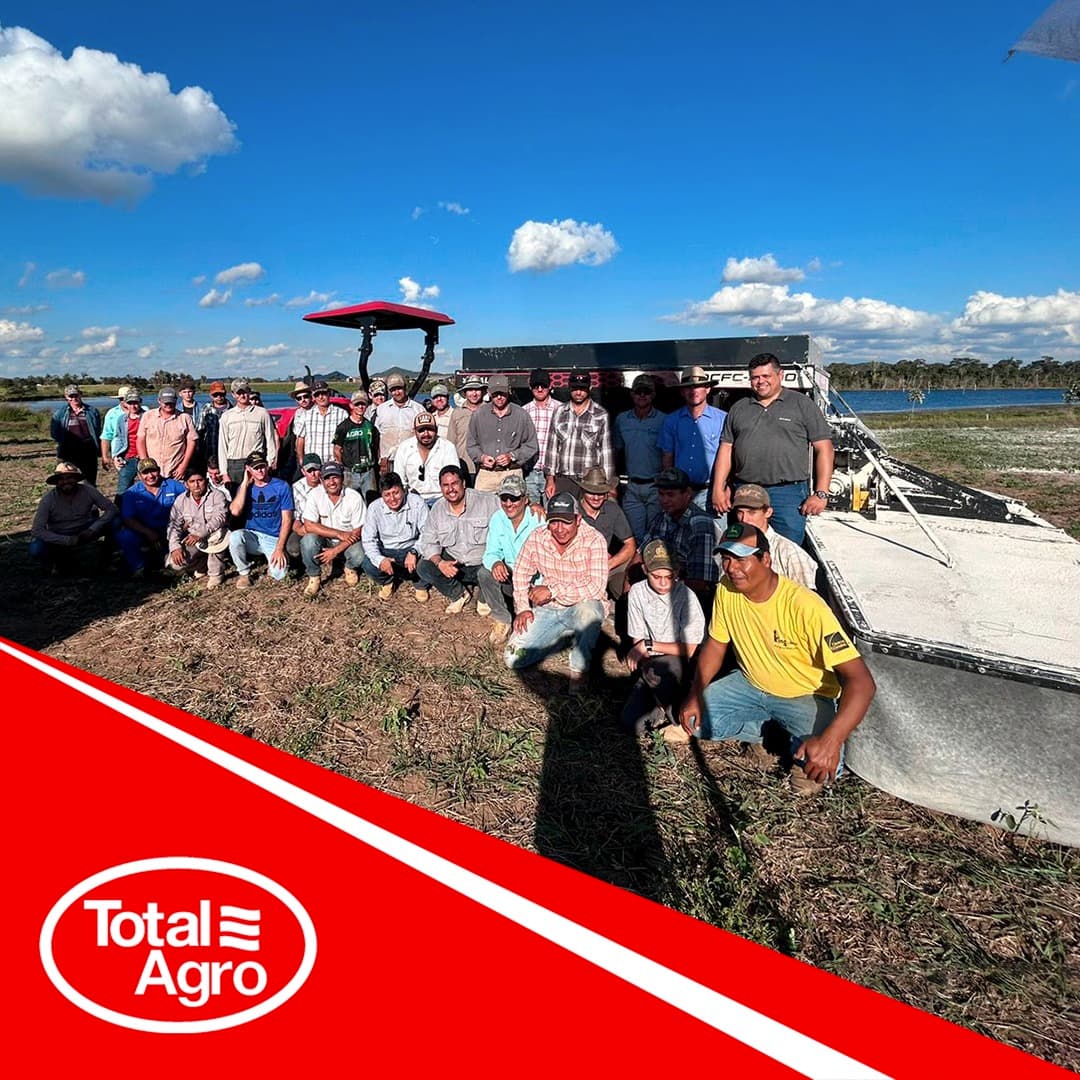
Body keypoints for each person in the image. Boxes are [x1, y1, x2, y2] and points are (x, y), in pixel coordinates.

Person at [671, 523, 876, 796]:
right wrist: (695, 692)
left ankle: (794, 736)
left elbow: (862, 682)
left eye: (742, 558)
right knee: (696, 723)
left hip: (806, 694)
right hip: (750, 684)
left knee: (822, 769)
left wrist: (830, 741)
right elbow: (716, 645)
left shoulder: (806, 606)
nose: (732, 568)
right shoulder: (726, 589)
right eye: (727, 558)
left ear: (765, 559)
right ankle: (775, 734)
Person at [711, 352, 835, 544]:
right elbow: (726, 450)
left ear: (780, 375)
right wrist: (719, 488)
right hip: (745, 490)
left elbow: (824, 449)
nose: (760, 381)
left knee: (788, 549)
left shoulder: (802, 405)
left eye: (766, 376)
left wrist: (821, 493)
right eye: (755, 377)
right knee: (743, 549)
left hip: (787, 495)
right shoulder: (739, 408)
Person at [504, 492, 608, 692]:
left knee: (589, 610)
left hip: (581, 605)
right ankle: (567, 637)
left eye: (566, 522)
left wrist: (552, 591)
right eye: (554, 522)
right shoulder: (538, 537)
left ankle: (579, 670)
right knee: (512, 658)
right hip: (549, 609)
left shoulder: (595, 540)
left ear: (577, 519)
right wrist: (523, 608)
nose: (560, 529)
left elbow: (595, 586)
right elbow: (520, 572)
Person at [621, 539, 705, 734]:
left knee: (660, 671)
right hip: (652, 660)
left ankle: (677, 715)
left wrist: (648, 645)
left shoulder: (686, 595)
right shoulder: (637, 593)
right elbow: (637, 642)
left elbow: (690, 648)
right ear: (645, 570)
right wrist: (644, 653)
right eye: (657, 576)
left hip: (681, 660)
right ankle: (662, 705)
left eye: (669, 576)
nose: (663, 583)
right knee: (631, 724)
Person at [417, 464, 498, 613]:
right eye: (446, 485)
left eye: (454, 483)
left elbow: (511, 508)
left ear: (464, 483)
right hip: (456, 565)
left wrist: (532, 506)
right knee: (424, 566)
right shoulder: (437, 509)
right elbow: (428, 541)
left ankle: (484, 595)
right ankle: (459, 594)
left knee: (492, 569)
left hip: (483, 563)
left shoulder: (488, 501)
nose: (451, 489)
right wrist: (440, 563)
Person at [477, 474, 544, 644]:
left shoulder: (539, 519)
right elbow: (490, 552)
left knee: (537, 629)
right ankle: (502, 619)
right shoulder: (497, 519)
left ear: (526, 499)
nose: (508, 504)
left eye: (514, 498)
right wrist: (496, 563)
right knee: (484, 573)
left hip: (535, 581)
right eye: (504, 498)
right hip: (510, 576)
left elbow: (547, 559)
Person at [641, 468, 720, 606]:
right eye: (661, 494)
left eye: (670, 495)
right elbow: (641, 552)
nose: (664, 500)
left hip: (695, 596)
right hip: (663, 581)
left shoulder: (701, 524)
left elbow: (700, 582)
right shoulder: (661, 517)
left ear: (687, 494)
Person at [658, 366, 726, 510]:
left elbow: (729, 457)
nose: (693, 391)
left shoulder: (723, 419)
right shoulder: (671, 420)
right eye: (688, 387)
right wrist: (669, 492)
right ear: (682, 391)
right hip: (680, 493)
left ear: (707, 389)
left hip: (711, 492)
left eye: (698, 387)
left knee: (716, 532)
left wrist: (723, 489)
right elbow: (667, 457)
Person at [29, 462, 117, 573]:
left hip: (84, 528)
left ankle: (105, 559)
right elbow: (37, 530)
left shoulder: (88, 491)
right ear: (56, 482)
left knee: (116, 522)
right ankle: (55, 563)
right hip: (59, 534)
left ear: (76, 478)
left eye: (70, 477)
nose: (66, 482)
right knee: (36, 549)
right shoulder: (48, 500)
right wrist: (67, 540)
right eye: (61, 479)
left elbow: (111, 509)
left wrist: (93, 528)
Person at [730, 484, 819, 591]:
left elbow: (807, 600)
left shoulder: (790, 553)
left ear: (768, 512)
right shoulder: (730, 548)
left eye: (752, 513)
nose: (744, 519)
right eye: (740, 513)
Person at [544, 371, 614, 501]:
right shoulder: (559, 412)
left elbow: (606, 453)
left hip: (590, 482)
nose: (578, 392)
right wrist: (550, 479)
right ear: (569, 387)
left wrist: (608, 485)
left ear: (590, 388)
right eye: (575, 388)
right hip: (563, 479)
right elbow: (552, 448)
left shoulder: (600, 414)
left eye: (582, 388)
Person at [228, 449, 293, 588]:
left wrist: (280, 548)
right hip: (253, 536)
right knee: (235, 537)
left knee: (280, 575)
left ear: (267, 465)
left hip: (274, 537)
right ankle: (244, 573)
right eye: (255, 468)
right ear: (248, 469)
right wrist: (245, 483)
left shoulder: (281, 486)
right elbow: (235, 510)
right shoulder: (246, 487)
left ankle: (274, 562)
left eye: (262, 466)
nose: (260, 470)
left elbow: (287, 519)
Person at [299, 462, 366, 596]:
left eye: (335, 477)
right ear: (322, 481)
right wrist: (338, 533)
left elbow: (359, 530)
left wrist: (335, 551)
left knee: (360, 553)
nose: (332, 482)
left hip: (349, 541)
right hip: (327, 539)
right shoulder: (314, 495)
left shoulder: (354, 497)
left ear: (342, 478)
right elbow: (309, 525)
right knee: (308, 541)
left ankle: (349, 567)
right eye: (327, 478)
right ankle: (314, 576)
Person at [360, 471, 430, 600]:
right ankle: (387, 581)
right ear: (381, 495)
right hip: (387, 550)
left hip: (411, 548)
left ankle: (420, 584)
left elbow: (427, 532)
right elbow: (368, 540)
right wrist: (380, 560)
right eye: (387, 495)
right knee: (368, 563)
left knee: (428, 558)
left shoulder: (417, 502)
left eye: (396, 493)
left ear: (403, 490)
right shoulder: (374, 508)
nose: (392, 499)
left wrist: (415, 551)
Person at [613, 373, 666, 543]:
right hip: (632, 487)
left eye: (647, 391)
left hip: (656, 487)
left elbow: (669, 454)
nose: (642, 395)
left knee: (657, 538)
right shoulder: (622, 420)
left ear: (654, 394)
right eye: (638, 391)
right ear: (632, 394)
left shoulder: (664, 420)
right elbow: (616, 452)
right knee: (633, 539)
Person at [466, 374, 538, 492]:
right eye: (495, 394)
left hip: (512, 473)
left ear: (509, 391)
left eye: (502, 393)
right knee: (481, 508)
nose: (499, 397)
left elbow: (531, 445)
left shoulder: (521, 415)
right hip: (486, 475)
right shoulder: (479, 415)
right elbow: (471, 444)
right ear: (489, 393)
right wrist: (482, 457)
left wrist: (512, 456)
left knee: (514, 509)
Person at [115, 458, 185, 576]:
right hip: (145, 532)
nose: (150, 476)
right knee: (125, 536)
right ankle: (139, 568)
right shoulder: (131, 493)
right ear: (139, 475)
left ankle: (169, 563)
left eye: (153, 471)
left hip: (173, 530)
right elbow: (128, 518)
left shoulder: (174, 486)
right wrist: (147, 532)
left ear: (159, 470)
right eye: (145, 473)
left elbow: (190, 501)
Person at [165, 467, 230, 588]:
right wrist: (175, 547)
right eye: (192, 481)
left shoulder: (217, 495)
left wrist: (200, 533)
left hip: (214, 536)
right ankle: (202, 565)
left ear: (205, 480)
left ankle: (216, 573)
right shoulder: (181, 500)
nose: (196, 485)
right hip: (194, 540)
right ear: (186, 484)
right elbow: (174, 525)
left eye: (199, 480)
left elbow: (219, 518)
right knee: (174, 564)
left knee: (218, 537)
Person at [577, 466, 636, 598]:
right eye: (591, 492)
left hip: (607, 566)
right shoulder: (573, 511)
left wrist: (609, 564)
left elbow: (630, 544)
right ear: (582, 490)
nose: (596, 497)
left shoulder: (612, 509)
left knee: (629, 584)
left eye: (601, 493)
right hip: (579, 569)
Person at [218, 379, 279, 486]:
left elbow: (270, 439)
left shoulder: (262, 413)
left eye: (245, 392)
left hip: (256, 462)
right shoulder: (226, 416)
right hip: (234, 464)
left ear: (249, 392)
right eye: (239, 393)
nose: (242, 395)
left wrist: (269, 463)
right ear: (233, 395)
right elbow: (222, 446)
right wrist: (224, 472)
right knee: (237, 499)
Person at [393, 412, 460, 505]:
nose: (426, 434)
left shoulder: (448, 447)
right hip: (412, 498)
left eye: (430, 429)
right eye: (421, 430)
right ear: (414, 431)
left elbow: (454, 479)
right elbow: (399, 479)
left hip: (441, 498)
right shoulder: (404, 448)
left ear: (436, 430)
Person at [137, 387, 197, 481]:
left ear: (176, 401)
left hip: (175, 472)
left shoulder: (185, 418)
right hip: (152, 472)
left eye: (171, 402)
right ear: (159, 401)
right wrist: (145, 465)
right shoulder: (148, 416)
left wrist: (183, 466)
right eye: (166, 402)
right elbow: (140, 440)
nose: (169, 405)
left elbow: (192, 442)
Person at [50, 385, 102, 485]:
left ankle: (89, 499)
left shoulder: (92, 411)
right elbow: (54, 433)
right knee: (66, 478)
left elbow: (98, 430)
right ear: (66, 397)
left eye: (76, 395)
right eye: (71, 396)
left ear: (80, 395)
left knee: (90, 479)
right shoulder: (59, 413)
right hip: (68, 450)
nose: (74, 398)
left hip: (88, 449)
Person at [373, 373, 424, 471]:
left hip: (411, 461)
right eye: (393, 390)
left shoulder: (418, 409)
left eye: (399, 388)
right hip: (387, 462)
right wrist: (380, 459)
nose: (396, 392)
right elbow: (376, 436)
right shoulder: (381, 409)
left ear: (405, 388)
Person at [333, 390, 379, 500]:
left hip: (368, 472)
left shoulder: (370, 427)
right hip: (349, 473)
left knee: (371, 502)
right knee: (350, 503)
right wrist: (341, 466)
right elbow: (337, 449)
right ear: (351, 405)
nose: (360, 407)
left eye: (363, 404)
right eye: (357, 404)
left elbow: (376, 447)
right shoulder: (343, 427)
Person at [100, 388, 145, 495]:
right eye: (130, 403)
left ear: (140, 402)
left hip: (144, 457)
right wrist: (115, 456)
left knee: (147, 487)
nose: (133, 406)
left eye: (136, 403)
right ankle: (121, 510)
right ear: (126, 403)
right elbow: (117, 438)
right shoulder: (121, 418)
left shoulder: (148, 416)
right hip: (128, 458)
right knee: (123, 489)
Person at [522, 368, 556, 506]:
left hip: (553, 475)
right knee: (532, 516)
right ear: (530, 387)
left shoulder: (561, 410)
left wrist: (551, 477)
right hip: (529, 473)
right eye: (536, 386)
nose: (540, 389)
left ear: (550, 386)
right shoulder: (523, 411)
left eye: (544, 385)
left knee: (553, 515)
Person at [295, 380, 348, 469]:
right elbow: (300, 440)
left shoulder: (342, 414)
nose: (321, 397)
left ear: (329, 394)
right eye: (317, 395)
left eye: (323, 393)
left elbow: (347, 440)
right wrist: (301, 460)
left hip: (333, 462)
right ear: (313, 397)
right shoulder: (305, 415)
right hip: (312, 463)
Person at [447, 375, 485, 480]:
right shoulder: (457, 413)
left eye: (477, 390)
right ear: (465, 393)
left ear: (482, 392)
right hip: (464, 465)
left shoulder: (489, 411)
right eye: (470, 390)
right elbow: (451, 442)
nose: (474, 393)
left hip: (485, 467)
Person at [287, 453, 323, 561]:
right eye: (309, 471)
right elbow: (294, 517)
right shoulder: (296, 488)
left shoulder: (328, 485)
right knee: (293, 548)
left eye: (316, 470)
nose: (313, 474)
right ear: (303, 471)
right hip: (305, 526)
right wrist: (299, 528)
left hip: (326, 525)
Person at [196, 381, 231, 472]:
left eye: (221, 394)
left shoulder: (232, 409)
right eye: (216, 395)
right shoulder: (206, 408)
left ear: (225, 394)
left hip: (228, 448)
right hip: (210, 448)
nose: (219, 397)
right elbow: (200, 429)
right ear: (211, 396)